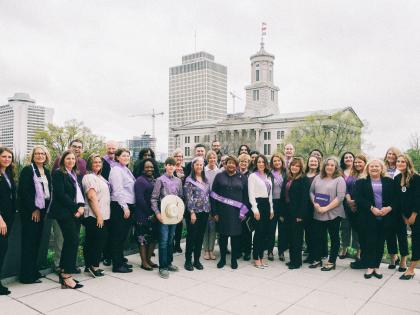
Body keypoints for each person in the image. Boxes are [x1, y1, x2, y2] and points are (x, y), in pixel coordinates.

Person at [354, 159, 396, 279]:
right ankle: (370, 266)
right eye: (371, 166)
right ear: (368, 168)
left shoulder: (389, 182)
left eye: (377, 166)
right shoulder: (361, 182)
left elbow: (396, 199)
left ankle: (376, 266)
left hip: (385, 216)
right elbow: (358, 198)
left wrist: (389, 208)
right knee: (369, 242)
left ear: (381, 168)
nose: (374, 168)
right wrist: (371, 208)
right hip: (368, 217)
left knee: (380, 242)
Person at [49, 150, 85, 289]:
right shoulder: (59, 173)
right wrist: (76, 208)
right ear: (63, 160)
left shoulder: (74, 174)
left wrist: (81, 206)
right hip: (64, 213)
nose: (71, 161)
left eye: (73, 159)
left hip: (75, 212)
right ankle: (66, 276)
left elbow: (78, 193)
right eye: (68, 158)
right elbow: (61, 194)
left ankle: (65, 273)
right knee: (72, 241)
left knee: (72, 242)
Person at [18, 145, 52, 284]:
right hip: (31, 212)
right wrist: (34, 209)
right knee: (29, 243)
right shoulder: (27, 170)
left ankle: (33, 271)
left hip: (43, 210)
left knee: (37, 242)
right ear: (33, 156)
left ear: (46, 156)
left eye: (42, 153)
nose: (40, 156)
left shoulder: (47, 171)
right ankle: (26, 276)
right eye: (37, 153)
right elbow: (23, 193)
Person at [211, 155, 249, 269]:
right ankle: (222, 259)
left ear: (236, 165)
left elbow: (246, 197)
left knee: (235, 237)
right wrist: (215, 212)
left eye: (233, 163)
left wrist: (243, 212)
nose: (231, 165)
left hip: (236, 213)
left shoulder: (242, 177)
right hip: (222, 212)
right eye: (229, 163)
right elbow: (213, 195)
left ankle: (233, 259)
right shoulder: (219, 176)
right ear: (225, 164)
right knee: (222, 237)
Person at [309, 157, 346, 271]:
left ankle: (331, 262)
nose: (329, 167)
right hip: (318, 212)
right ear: (324, 166)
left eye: (332, 165)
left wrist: (326, 208)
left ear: (335, 167)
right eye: (327, 165)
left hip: (334, 213)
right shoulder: (317, 178)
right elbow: (311, 192)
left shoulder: (339, 179)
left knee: (334, 238)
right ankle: (318, 259)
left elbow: (340, 197)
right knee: (318, 237)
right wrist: (315, 204)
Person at [151, 157, 183, 279]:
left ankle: (169, 263)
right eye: (168, 164)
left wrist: (179, 214)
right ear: (165, 166)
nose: (170, 167)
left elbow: (180, 198)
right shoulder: (160, 180)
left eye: (173, 165)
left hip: (174, 215)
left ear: (175, 167)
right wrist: (158, 214)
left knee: (171, 239)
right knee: (163, 241)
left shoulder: (178, 181)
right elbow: (153, 199)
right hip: (163, 215)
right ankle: (162, 267)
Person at [82, 154, 110, 277]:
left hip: (101, 214)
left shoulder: (100, 177)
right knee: (98, 240)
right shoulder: (88, 177)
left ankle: (88, 266)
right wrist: (99, 215)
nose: (98, 164)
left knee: (91, 240)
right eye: (95, 162)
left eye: (99, 162)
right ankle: (94, 266)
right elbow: (91, 197)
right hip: (94, 215)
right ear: (89, 164)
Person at [108, 148, 135, 273]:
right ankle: (117, 265)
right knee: (118, 236)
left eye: (128, 156)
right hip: (120, 206)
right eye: (123, 156)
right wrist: (125, 207)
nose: (126, 158)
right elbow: (117, 191)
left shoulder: (126, 169)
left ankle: (120, 260)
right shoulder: (116, 170)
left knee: (123, 236)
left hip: (127, 205)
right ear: (117, 157)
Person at [394, 154, 420, 280]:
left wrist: (414, 215)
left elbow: (418, 198)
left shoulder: (416, 178)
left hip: (417, 214)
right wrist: (404, 216)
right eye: (398, 161)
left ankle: (411, 269)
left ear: (408, 163)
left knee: (416, 241)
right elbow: (398, 200)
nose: (400, 163)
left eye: (403, 161)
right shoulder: (398, 178)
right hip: (405, 215)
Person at [280, 157, 309, 269]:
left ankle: (297, 262)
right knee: (290, 238)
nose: (294, 167)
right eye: (293, 165)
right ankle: (293, 259)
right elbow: (283, 196)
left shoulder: (303, 179)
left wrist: (300, 215)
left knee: (297, 238)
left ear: (301, 168)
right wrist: (282, 213)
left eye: (297, 166)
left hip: (297, 214)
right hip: (287, 212)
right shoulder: (288, 178)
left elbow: (304, 199)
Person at [184, 157, 211, 271]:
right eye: (197, 165)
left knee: (200, 237)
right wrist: (192, 212)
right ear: (193, 166)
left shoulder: (206, 180)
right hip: (194, 213)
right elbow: (188, 198)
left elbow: (208, 196)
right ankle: (188, 261)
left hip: (204, 212)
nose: (199, 167)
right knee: (191, 237)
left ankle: (196, 260)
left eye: (201, 165)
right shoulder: (189, 180)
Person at [384, 147, 408, 271]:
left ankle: (403, 260)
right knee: (389, 234)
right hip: (385, 207)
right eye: (389, 153)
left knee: (402, 234)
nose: (391, 156)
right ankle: (393, 257)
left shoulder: (402, 170)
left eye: (394, 154)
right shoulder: (382, 167)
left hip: (399, 207)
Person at [248, 154, 274, 268]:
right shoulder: (252, 176)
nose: (261, 164)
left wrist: (271, 209)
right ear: (256, 163)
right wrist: (255, 209)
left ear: (266, 164)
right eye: (259, 162)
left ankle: (262, 256)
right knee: (258, 232)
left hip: (267, 205)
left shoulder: (268, 176)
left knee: (265, 233)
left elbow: (270, 195)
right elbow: (251, 194)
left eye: (263, 162)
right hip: (258, 205)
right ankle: (256, 257)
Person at [133, 158, 159, 271]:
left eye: (151, 167)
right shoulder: (140, 180)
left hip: (153, 214)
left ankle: (149, 260)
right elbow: (140, 199)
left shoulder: (153, 179)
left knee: (153, 238)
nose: (150, 169)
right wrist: (150, 213)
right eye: (147, 167)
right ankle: (144, 262)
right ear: (143, 168)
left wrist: (155, 213)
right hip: (143, 214)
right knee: (142, 239)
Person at [347, 154, 368, 269]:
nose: (357, 164)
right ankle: (362, 259)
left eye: (360, 162)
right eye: (355, 162)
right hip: (352, 208)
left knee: (364, 235)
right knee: (359, 234)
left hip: (363, 209)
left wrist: (356, 202)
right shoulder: (352, 174)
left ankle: (365, 260)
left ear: (365, 163)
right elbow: (347, 188)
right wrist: (349, 200)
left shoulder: (368, 174)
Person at [0, 147, 16, 295]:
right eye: (4, 156)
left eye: (9, 157)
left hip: (9, 217)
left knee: (3, 249)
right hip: (1, 219)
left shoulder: (8, 173)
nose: (6, 159)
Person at [100, 140, 118, 267]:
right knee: (105, 228)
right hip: (105, 198)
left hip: (115, 199)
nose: (111, 151)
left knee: (114, 229)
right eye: (109, 148)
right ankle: (106, 256)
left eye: (113, 148)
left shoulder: (119, 162)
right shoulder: (102, 161)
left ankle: (113, 254)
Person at [267, 153, 286, 261]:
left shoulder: (286, 173)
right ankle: (270, 251)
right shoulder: (269, 173)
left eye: (278, 160)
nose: (277, 162)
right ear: (272, 163)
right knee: (271, 228)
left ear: (281, 161)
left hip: (283, 204)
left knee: (282, 229)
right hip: (272, 203)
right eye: (275, 161)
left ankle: (281, 251)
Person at [303, 155, 321, 264]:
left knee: (317, 233)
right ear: (308, 163)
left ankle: (317, 256)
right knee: (308, 232)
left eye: (315, 161)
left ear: (318, 163)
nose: (313, 163)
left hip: (318, 207)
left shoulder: (321, 176)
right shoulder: (304, 175)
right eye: (311, 161)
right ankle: (310, 254)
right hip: (306, 207)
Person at [203, 151, 220, 260]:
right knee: (205, 227)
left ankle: (211, 250)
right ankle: (206, 251)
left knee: (213, 227)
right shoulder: (203, 170)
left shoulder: (218, 172)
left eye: (214, 158)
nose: (212, 160)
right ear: (207, 159)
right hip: (204, 201)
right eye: (210, 158)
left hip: (215, 202)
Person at [339, 152, 356, 259]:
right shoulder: (340, 172)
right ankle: (344, 249)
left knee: (357, 228)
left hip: (355, 204)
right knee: (344, 227)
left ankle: (358, 252)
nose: (348, 159)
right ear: (343, 160)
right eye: (346, 157)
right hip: (342, 204)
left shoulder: (358, 171)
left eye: (350, 157)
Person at [238, 153, 252, 260]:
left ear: (248, 163)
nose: (243, 163)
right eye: (242, 161)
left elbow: (250, 193)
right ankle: (238, 250)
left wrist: (244, 209)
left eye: (245, 162)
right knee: (237, 230)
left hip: (246, 206)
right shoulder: (235, 174)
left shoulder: (251, 176)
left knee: (246, 230)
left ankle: (247, 251)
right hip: (235, 206)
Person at [173, 148, 185, 253]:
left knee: (180, 222)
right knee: (173, 221)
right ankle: (171, 244)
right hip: (173, 199)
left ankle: (177, 243)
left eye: (181, 156)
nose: (179, 158)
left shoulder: (185, 169)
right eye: (177, 156)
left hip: (183, 198)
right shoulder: (171, 169)